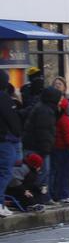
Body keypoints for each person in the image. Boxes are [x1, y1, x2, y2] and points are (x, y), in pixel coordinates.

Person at [22, 86, 61, 203]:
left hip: (34, 146)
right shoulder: (45, 111)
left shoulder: (43, 108)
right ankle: (39, 197)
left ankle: (43, 197)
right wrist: (45, 150)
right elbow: (43, 131)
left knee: (41, 173)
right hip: (38, 148)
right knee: (42, 173)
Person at [0, 71, 23, 217]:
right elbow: (11, 118)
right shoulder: (3, 97)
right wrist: (17, 131)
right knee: (5, 173)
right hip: (4, 140)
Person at [50, 98, 69, 204]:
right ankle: (64, 194)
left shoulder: (58, 118)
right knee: (64, 173)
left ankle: (57, 193)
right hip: (64, 150)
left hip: (57, 148)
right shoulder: (66, 119)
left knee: (57, 173)